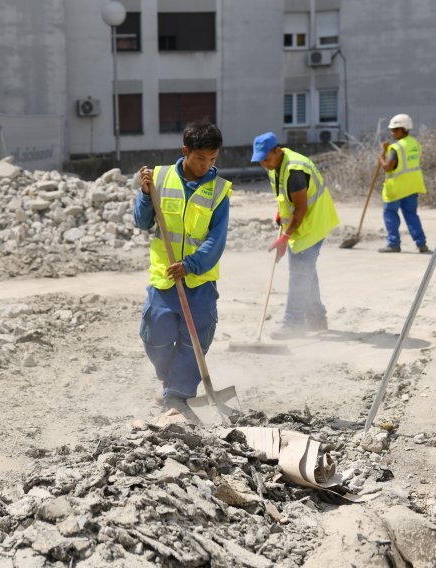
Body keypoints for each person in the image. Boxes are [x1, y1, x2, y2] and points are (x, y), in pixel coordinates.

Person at [134, 122, 231, 421]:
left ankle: (178, 395)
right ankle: (168, 379)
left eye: (213, 159)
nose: (207, 166)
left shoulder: (219, 191)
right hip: (164, 279)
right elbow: (142, 222)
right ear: (185, 152)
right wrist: (144, 195)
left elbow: (216, 240)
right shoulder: (160, 177)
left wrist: (191, 265)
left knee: (195, 342)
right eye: (201, 159)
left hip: (199, 282)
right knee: (155, 336)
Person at [251, 132, 339, 338]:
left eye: (267, 158)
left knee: (299, 271)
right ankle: (317, 318)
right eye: (260, 160)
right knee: (306, 270)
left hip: (313, 223)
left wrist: (284, 237)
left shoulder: (295, 170)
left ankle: (293, 323)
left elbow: (300, 209)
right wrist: (281, 213)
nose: (264, 164)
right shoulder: (275, 165)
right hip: (302, 223)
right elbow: (286, 197)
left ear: (278, 151)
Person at [377, 114, 429, 253]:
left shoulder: (396, 147)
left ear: (402, 129)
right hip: (412, 186)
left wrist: (381, 158)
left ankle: (393, 244)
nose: (392, 132)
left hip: (397, 188)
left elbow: (388, 167)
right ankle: (421, 243)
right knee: (411, 214)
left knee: (390, 214)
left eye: (394, 130)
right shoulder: (415, 143)